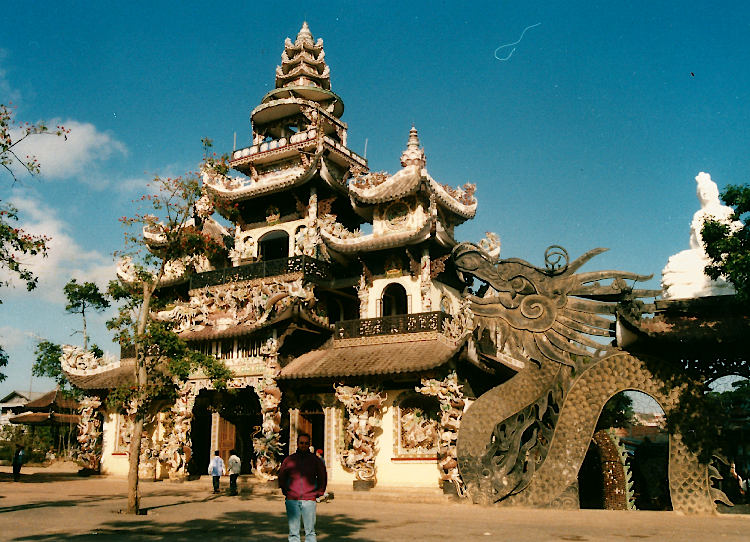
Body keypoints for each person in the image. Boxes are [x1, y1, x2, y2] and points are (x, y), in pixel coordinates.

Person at [278, 433, 327, 542]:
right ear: (297, 444)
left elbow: (322, 476)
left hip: (309, 499)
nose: (303, 445)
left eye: (306, 443)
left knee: (310, 531)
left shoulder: (315, 460)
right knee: (293, 532)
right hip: (292, 499)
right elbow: (282, 476)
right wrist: (286, 491)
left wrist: (319, 492)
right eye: (301, 443)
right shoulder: (289, 460)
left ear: (309, 444)